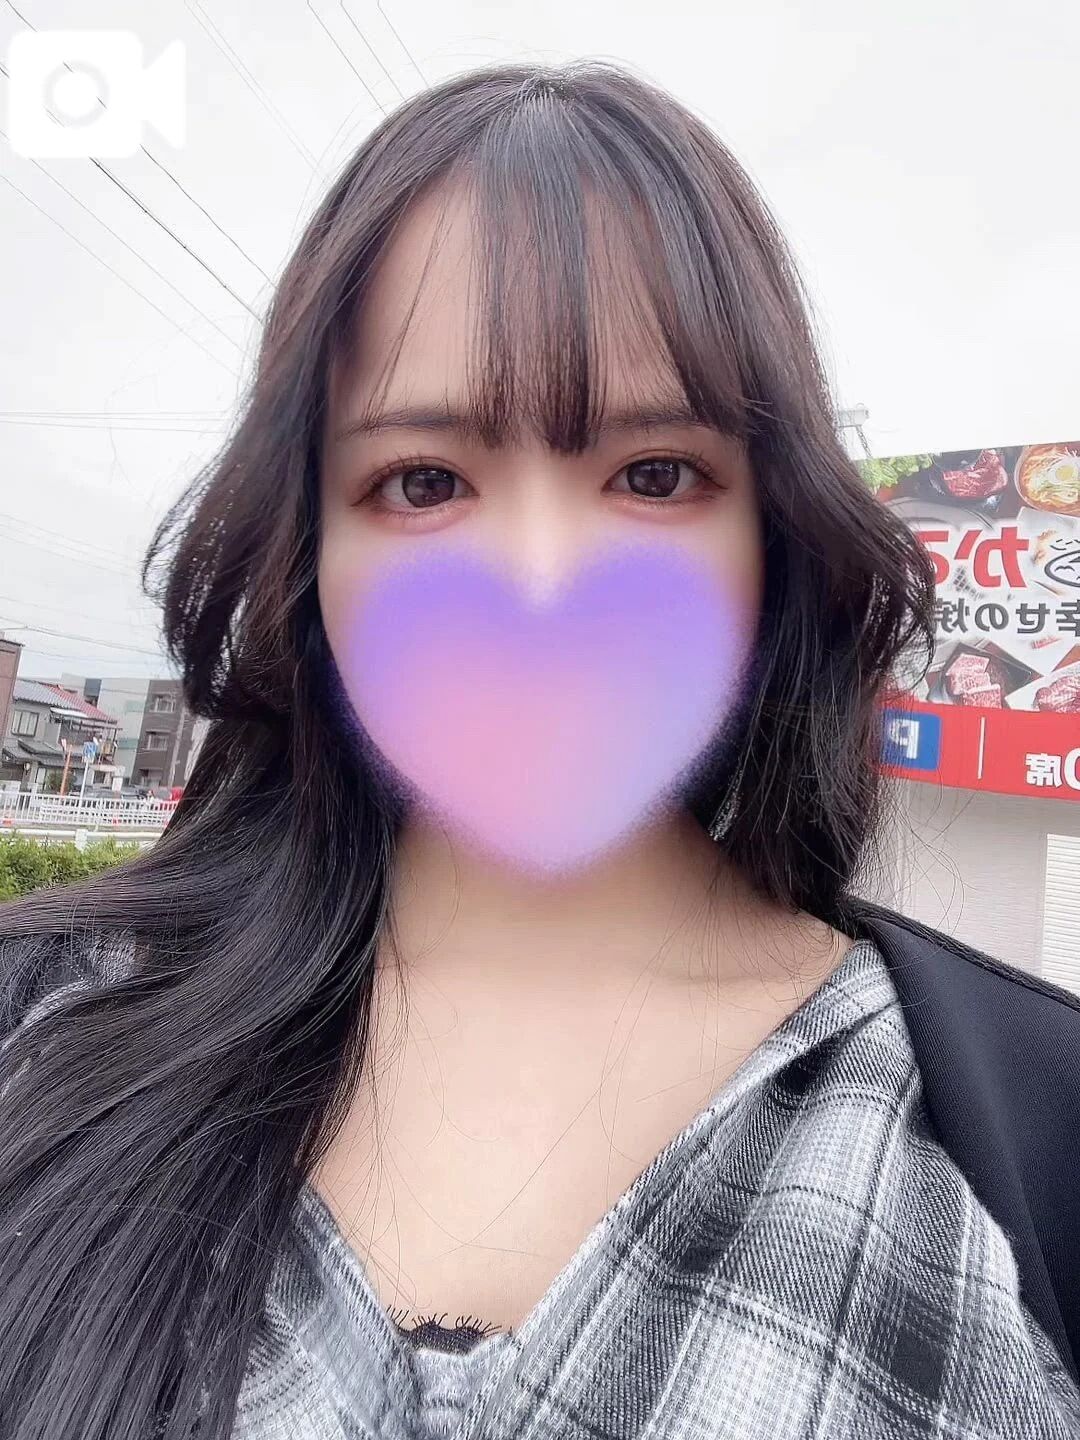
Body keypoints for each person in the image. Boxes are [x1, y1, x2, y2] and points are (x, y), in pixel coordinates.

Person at [0, 61, 1077, 1440]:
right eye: (424, 482)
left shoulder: (1032, 1131)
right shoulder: (49, 1028)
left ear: (774, 536)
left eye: (654, 475)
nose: (542, 583)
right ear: (309, 553)